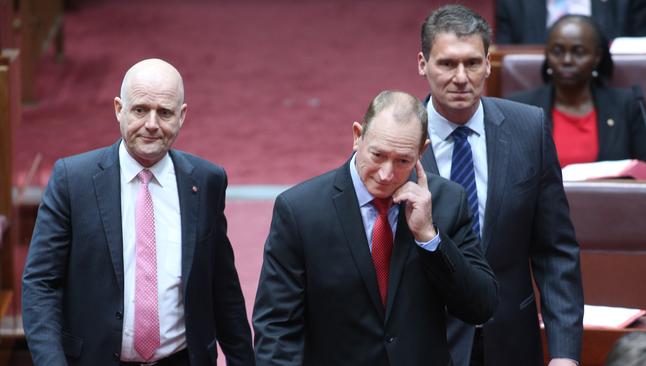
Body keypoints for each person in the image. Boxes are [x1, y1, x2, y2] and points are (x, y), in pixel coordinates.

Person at [22, 58, 255, 366]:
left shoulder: (206, 181)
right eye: (140, 109)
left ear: (182, 116)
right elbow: (41, 284)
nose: (152, 124)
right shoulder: (72, 180)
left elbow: (222, 285)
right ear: (119, 109)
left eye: (165, 112)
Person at [252, 90, 498, 366]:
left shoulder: (447, 202)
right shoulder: (300, 211)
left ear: (422, 151)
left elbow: (480, 306)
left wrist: (430, 238)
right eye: (378, 155)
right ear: (358, 136)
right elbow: (276, 326)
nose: (386, 174)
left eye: (403, 160)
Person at [417, 5, 583, 366]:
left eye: (473, 63)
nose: (461, 77)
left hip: (511, 341)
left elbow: (555, 251)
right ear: (422, 64)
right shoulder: (399, 139)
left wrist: (565, 353)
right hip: (427, 343)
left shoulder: (529, 129)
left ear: (489, 64)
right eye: (447, 64)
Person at [507, 14, 646, 168]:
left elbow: (645, 170)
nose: (567, 60)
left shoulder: (626, 105)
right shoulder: (519, 107)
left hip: (608, 192)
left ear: (597, 57)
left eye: (579, 52)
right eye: (557, 51)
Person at [496, 0, 646, 44]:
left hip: (608, 93)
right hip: (535, 93)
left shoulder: (628, 4)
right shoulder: (513, 4)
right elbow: (504, 63)